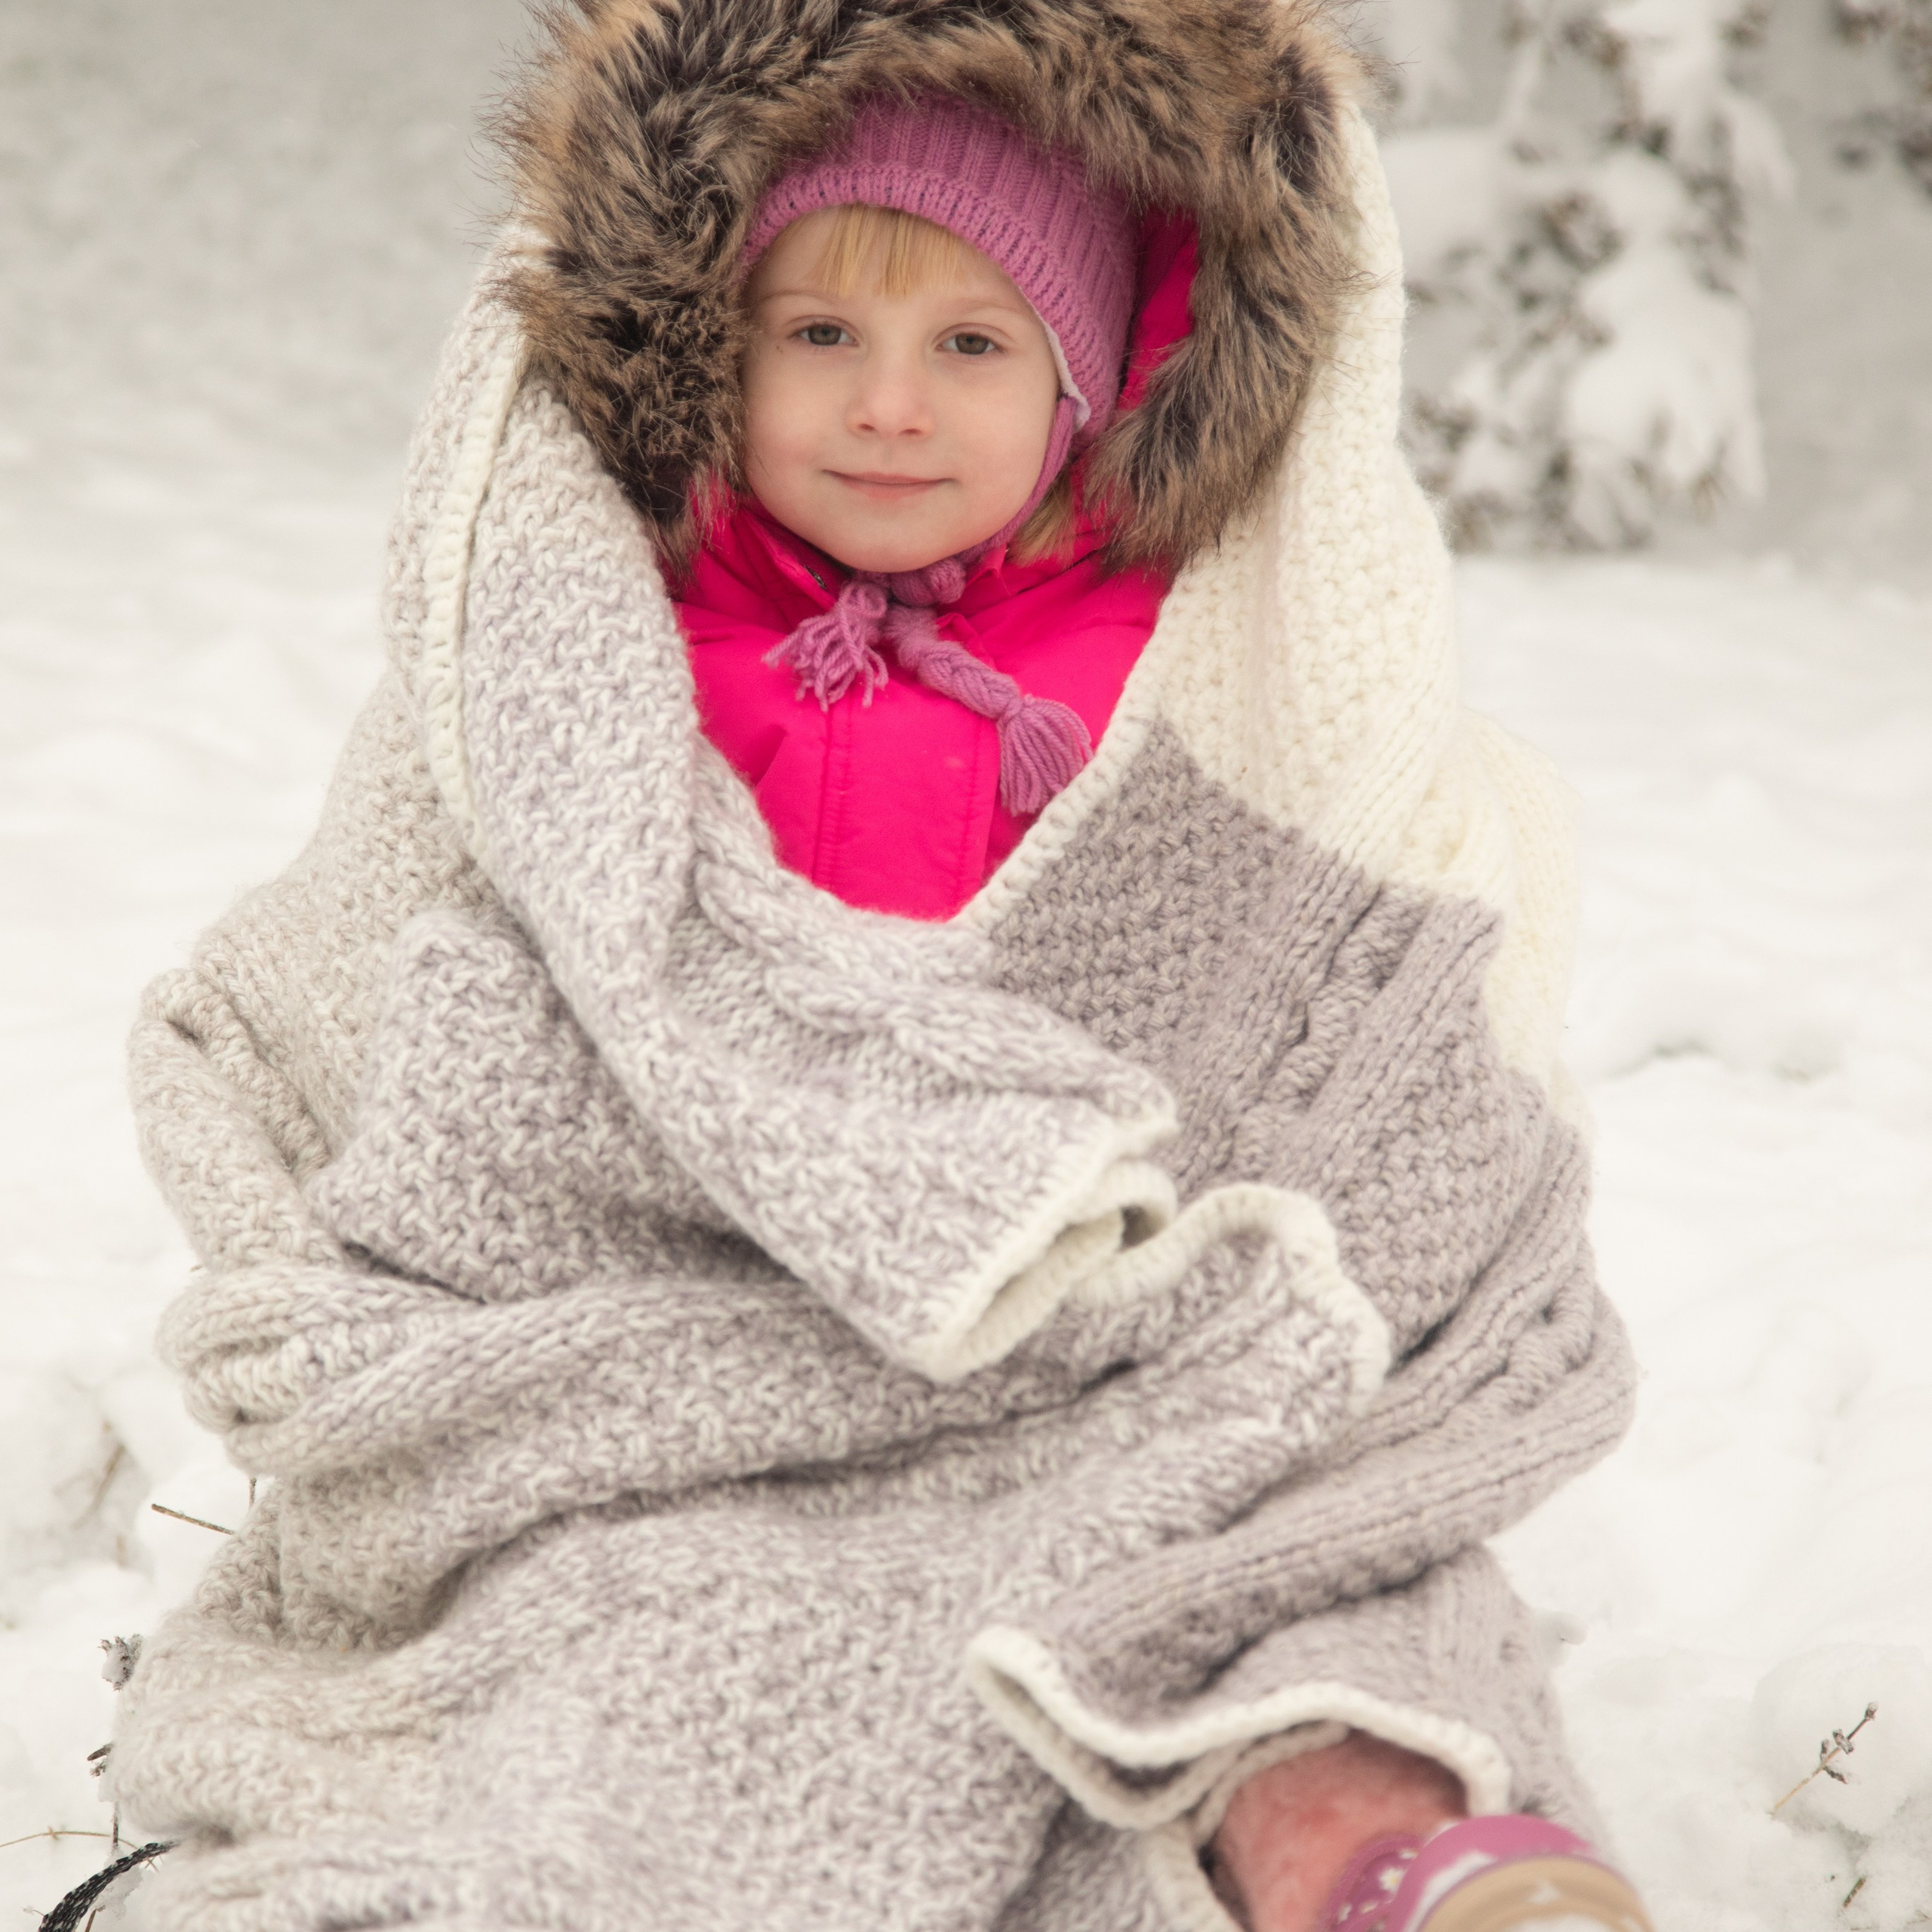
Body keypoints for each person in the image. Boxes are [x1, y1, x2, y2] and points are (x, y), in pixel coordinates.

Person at [109, 5, 1652, 1931]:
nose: (888, 406)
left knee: (1292, 1562)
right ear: (712, 350)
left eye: (971, 345)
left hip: (1105, 1323)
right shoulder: (611, 647)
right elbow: (411, 961)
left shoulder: (1160, 673)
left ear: (1091, 386)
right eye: (819, 335)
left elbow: (1329, 965)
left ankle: (1384, 1857)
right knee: (648, 1614)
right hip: (705, 1333)